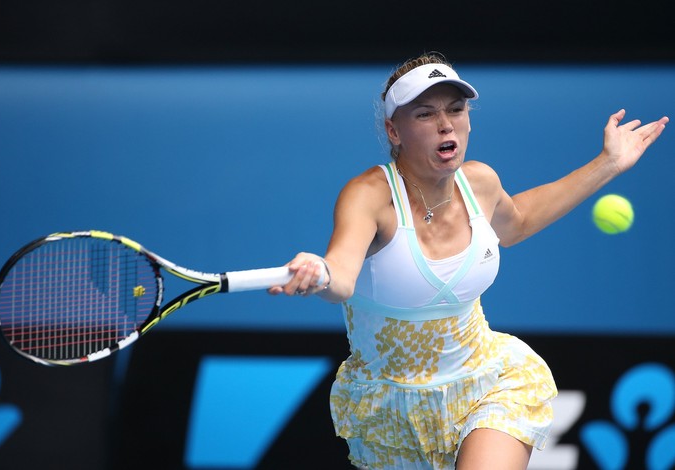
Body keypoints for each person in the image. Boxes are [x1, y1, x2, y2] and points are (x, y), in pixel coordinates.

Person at [268, 52, 669, 469]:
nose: (446, 124)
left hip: (488, 382)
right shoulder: (369, 195)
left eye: (456, 110)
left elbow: (519, 221)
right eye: (425, 114)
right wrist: (319, 273)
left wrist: (609, 163)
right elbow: (342, 278)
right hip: (391, 409)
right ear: (394, 130)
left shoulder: (479, 182)